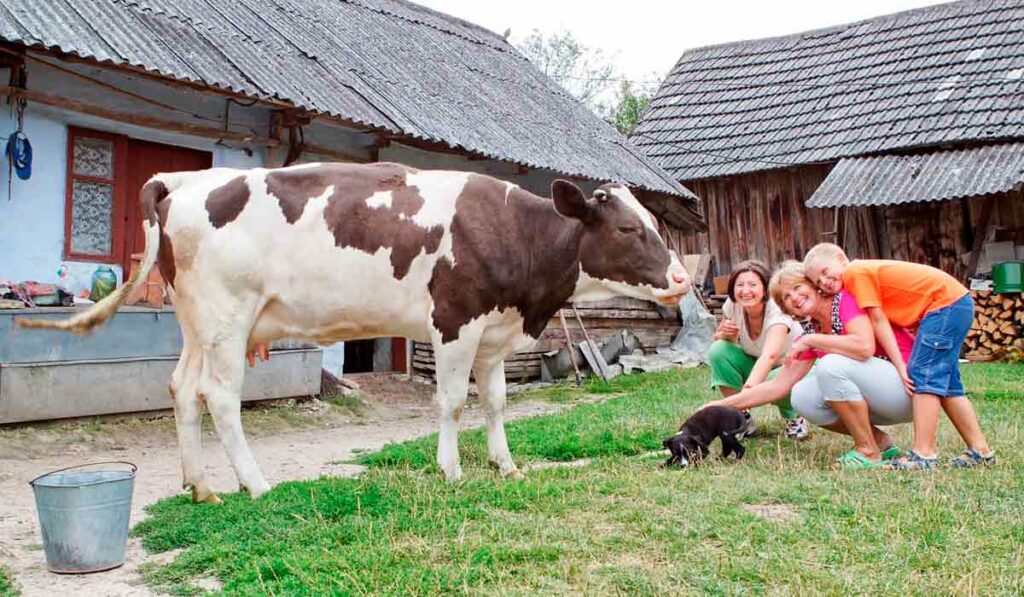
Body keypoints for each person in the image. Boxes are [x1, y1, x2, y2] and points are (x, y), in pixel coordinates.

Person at [704, 261, 915, 468]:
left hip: (908, 390)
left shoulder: (843, 301)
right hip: (880, 397)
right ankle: (879, 443)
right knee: (802, 396)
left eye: (797, 288)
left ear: (815, 286)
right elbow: (777, 387)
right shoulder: (812, 332)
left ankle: (867, 451)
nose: (794, 297)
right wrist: (716, 407)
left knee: (831, 365)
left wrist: (811, 341)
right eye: (786, 296)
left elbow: (863, 346)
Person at [803, 243, 994, 469]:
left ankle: (923, 455)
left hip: (944, 305)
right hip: (953, 303)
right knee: (950, 385)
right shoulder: (862, 274)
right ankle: (980, 450)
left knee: (924, 375)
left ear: (841, 257)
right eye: (818, 282)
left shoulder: (856, 272)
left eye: (825, 272)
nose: (824, 282)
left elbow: (878, 320)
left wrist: (902, 367)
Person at [707, 260, 808, 439]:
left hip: (790, 366)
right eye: (740, 285)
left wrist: (747, 393)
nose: (745, 291)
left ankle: (794, 418)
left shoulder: (777, 309)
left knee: (773, 378)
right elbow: (727, 341)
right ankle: (741, 418)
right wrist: (724, 335)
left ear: (765, 288)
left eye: (752, 284)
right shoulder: (733, 305)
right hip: (755, 360)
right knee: (718, 350)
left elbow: (770, 355)